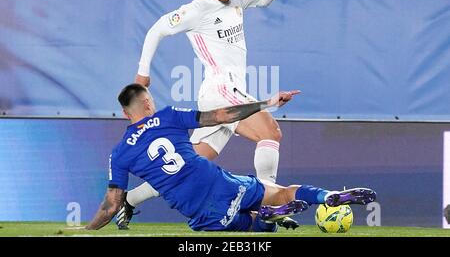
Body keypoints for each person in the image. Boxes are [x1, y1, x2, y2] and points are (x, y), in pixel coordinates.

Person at [120, 0, 294, 229]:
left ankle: (130, 199)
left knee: (188, 166)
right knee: (270, 132)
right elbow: (156, 30)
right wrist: (143, 73)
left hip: (225, 91)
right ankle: (269, 204)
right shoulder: (195, 11)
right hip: (220, 88)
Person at [86, 84, 376, 232]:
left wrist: (88, 230)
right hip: (218, 179)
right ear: (148, 102)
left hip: (198, 207)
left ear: (126, 113)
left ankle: (267, 220)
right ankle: (327, 195)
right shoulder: (168, 115)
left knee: (254, 226)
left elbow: (111, 206)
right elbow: (221, 115)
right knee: (282, 192)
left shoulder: (120, 152)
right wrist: (266, 103)